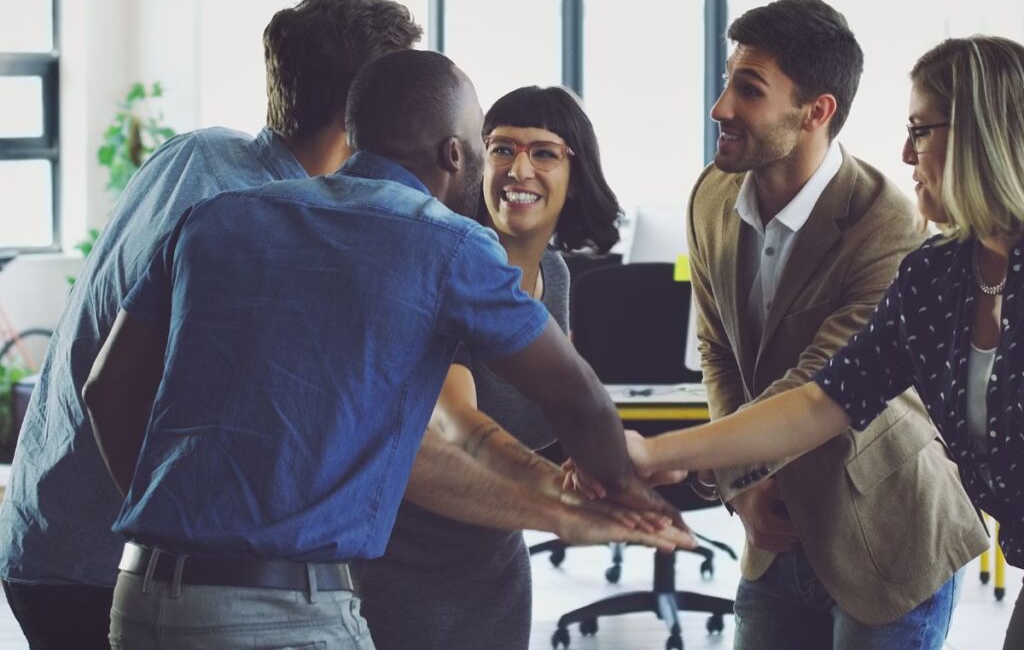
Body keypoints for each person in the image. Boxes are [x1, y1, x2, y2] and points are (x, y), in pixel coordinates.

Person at [83, 50, 689, 649]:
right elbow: (572, 395)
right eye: (488, 143)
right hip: (287, 607)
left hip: (143, 598)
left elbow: (106, 389)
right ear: (456, 154)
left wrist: (176, 524)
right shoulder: (446, 245)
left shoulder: (212, 218)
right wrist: (620, 496)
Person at [0, 0, 424, 650]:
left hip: (46, 537)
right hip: (103, 568)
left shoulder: (198, 154)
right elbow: (136, 396)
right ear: (362, 113)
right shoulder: (252, 214)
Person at [622, 34, 1024, 649]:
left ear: (981, 135)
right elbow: (821, 399)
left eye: (920, 130)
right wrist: (659, 454)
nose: (905, 154)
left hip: (886, 536)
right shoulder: (939, 276)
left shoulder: (889, 222)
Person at [354, 85, 628, 650]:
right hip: (400, 566)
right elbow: (457, 425)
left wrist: (584, 462)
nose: (518, 169)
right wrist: (561, 496)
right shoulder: (451, 262)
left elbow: (552, 407)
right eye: (502, 149)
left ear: (576, 173)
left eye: (544, 153)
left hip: (494, 562)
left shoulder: (557, 272)